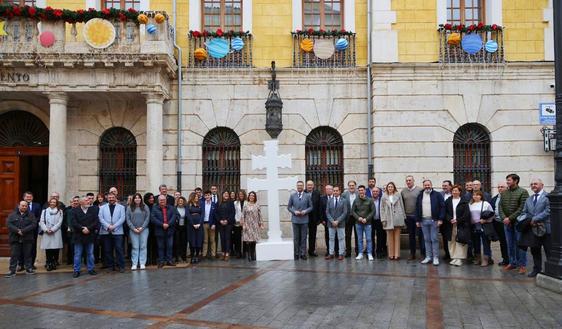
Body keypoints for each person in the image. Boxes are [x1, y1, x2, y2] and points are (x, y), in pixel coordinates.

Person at [500, 173, 529, 274]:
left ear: (516, 181)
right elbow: (500, 207)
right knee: (510, 244)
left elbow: (522, 208)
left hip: (518, 223)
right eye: (507, 180)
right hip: (507, 223)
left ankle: (522, 265)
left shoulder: (523, 192)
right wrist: (504, 218)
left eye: (509, 180)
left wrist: (510, 218)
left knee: (520, 244)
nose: (507, 182)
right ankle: (512, 263)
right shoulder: (504, 193)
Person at [520, 178, 550, 277]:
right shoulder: (529, 199)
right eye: (532, 184)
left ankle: (550, 271)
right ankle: (537, 269)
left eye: (535, 184)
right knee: (535, 250)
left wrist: (535, 218)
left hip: (546, 229)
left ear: (542, 185)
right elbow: (524, 212)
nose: (533, 185)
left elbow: (548, 210)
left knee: (548, 250)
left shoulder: (548, 197)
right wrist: (527, 220)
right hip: (532, 229)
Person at [416, 179, 445, 266]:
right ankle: (428, 257)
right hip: (424, 220)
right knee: (426, 239)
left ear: (431, 185)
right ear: (423, 186)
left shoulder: (437, 194)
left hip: (434, 221)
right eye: (425, 185)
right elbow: (417, 208)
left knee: (434, 239)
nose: (427, 186)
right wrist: (417, 220)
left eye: (428, 185)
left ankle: (435, 257)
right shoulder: (420, 195)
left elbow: (442, 207)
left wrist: (440, 219)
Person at [5, 201, 37, 277]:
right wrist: (17, 231)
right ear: (19, 206)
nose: (24, 207)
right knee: (14, 255)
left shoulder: (31, 215)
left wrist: (23, 231)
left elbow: (34, 224)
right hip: (15, 238)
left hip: (27, 238)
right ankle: (12, 271)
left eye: (25, 206)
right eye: (22, 205)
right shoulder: (12, 215)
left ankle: (29, 269)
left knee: (28, 254)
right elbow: (8, 224)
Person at [70, 196, 98, 278]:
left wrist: (88, 228)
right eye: (86, 200)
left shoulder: (93, 210)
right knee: (78, 254)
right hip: (78, 235)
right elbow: (73, 222)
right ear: (81, 202)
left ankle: (91, 269)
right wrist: (82, 228)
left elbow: (96, 221)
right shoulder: (74, 211)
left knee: (90, 253)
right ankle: (76, 270)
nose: (88, 201)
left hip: (90, 234)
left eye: (89, 200)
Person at [98, 193, 126, 273]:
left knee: (119, 249)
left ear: (115, 198)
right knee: (107, 250)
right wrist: (108, 227)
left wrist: (114, 227)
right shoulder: (102, 208)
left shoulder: (121, 207)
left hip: (118, 232)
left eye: (112, 197)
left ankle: (121, 266)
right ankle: (111, 266)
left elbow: (122, 218)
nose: (111, 199)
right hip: (105, 232)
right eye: (109, 197)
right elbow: (101, 218)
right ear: (107, 198)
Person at [444, 185, 471, 266]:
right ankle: (453, 257)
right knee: (451, 241)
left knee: (460, 240)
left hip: (461, 224)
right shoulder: (448, 201)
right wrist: (450, 219)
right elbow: (445, 212)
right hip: (450, 224)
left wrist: (458, 220)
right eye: (453, 190)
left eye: (456, 190)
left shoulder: (464, 201)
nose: (454, 192)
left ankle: (459, 258)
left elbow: (466, 214)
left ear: (460, 192)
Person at [287, 181, 313, 260]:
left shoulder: (307, 196)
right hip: (295, 219)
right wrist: (294, 211)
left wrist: (305, 211)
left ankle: (303, 253)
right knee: (296, 238)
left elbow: (311, 207)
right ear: (296, 186)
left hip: (304, 220)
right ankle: (296, 253)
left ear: (303, 186)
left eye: (301, 186)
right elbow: (289, 207)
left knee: (303, 237)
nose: (299, 187)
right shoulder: (292, 196)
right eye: (298, 186)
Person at [380, 182, 406, 261]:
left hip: (397, 218)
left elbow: (402, 205)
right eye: (389, 187)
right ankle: (391, 255)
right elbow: (382, 209)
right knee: (389, 238)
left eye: (391, 187)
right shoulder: (384, 196)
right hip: (388, 219)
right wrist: (383, 219)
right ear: (387, 188)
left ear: (394, 188)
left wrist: (403, 216)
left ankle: (397, 255)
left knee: (397, 238)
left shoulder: (398, 195)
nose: (390, 188)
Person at [401, 175, 424, 260]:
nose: (408, 182)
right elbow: (402, 204)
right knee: (411, 236)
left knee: (421, 236)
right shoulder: (403, 191)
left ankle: (423, 253)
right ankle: (412, 254)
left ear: (413, 181)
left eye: (410, 180)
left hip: (418, 217)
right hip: (408, 217)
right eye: (407, 180)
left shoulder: (420, 190)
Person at [151, 195, 178, 268]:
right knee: (160, 247)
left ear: (166, 200)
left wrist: (168, 224)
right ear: (158, 201)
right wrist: (162, 224)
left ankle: (169, 260)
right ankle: (161, 261)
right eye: (160, 200)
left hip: (169, 230)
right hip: (159, 230)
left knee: (170, 246)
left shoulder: (171, 208)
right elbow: (153, 218)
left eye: (163, 200)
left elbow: (174, 216)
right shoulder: (154, 208)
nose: (162, 201)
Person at [469, 191, 494, 266]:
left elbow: (492, 214)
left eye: (477, 195)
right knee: (476, 243)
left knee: (485, 243)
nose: (475, 196)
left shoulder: (485, 204)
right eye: (474, 195)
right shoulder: (470, 204)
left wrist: (486, 220)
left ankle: (486, 259)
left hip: (484, 225)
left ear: (481, 196)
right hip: (474, 226)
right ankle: (478, 258)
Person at [39, 197, 64, 271]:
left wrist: (53, 229)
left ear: (56, 203)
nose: (52, 203)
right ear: (49, 203)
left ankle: (54, 262)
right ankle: (49, 263)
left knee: (55, 248)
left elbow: (60, 222)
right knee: (48, 248)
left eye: (54, 202)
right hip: (47, 232)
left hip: (56, 232)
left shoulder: (60, 211)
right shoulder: (44, 211)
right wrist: (46, 230)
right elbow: (42, 221)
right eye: (51, 202)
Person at [126, 193, 150, 270]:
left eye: (138, 198)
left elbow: (147, 218)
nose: (137, 199)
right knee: (135, 247)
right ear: (133, 199)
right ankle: (134, 263)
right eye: (135, 198)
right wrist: (133, 228)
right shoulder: (129, 207)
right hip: (133, 230)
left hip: (144, 230)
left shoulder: (145, 207)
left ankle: (142, 263)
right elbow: (128, 219)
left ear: (141, 199)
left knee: (143, 246)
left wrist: (142, 228)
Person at [18, 191, 41, 271]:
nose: (29, 198)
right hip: (22, 231)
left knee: (32, 247)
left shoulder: (37, 206)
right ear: (24, 197)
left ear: (32, 198)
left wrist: (32, 223)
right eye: (27, 197)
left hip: (33, 230)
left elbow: (39, 217)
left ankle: (31, 264)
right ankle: (21, 265)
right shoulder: (20, 205)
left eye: (30, 197)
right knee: (21, 247)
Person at [352, 185, 375, 261]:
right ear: (358, 191)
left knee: (369, 239)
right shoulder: (356, 200)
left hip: (368, 223)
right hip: (358, 223)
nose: (361, 191)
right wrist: (358, 218)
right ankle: (360, 253)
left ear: (365, 191)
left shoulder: (370, 200)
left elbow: (373, 211)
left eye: (362, 190)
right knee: (359, 239)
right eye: (359, 190)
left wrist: (366, 218)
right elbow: (353, 211)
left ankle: (369, 253)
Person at [325, 186, 347, 260]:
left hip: (340, 223)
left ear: (339, 191)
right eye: (334, 191)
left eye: (337, 191)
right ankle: (331, 253)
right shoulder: (329, 200)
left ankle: (341, 254)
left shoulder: (344, 200)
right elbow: (327, 212)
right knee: (331, 239)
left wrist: (337, 221)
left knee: (341, 238)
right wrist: (332, 221)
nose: (335, 192)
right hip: (331, 223)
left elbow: (345, 212)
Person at [241, 191, 263, 262]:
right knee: (248, 241)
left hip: (255, 225)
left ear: (255, 197)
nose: (252, 197)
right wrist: (243, 224)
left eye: (253, 196)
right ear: (248, 196)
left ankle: (253, 255)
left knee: (253, 241)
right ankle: (249, 255)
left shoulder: (257, 205)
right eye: (250, 195)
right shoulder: (245, 205)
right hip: (247, 225)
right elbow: (242, 215)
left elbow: (260, 215)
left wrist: (261, 224)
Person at [491, 181, 509, 266]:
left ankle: (512, 259)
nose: (500, 188)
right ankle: (505, 259)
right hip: (498, 223)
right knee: (502, 242)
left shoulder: (509, 197)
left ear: (506, 188)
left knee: (509, 242)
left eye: (502, 187)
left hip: (508, 223)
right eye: (499, 187)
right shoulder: (494, 198)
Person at [341, 180, 359, 257]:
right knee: (347, 235)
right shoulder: (344, 194)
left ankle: (358, 251)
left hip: (356, 217)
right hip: (348, 217)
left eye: (353, 185)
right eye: (350, 185)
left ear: (355, 186)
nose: (351, 187)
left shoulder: (359, 194)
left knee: (357, 235)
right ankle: (348, 252)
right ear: (348, 187)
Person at [216, 191, 235, 261]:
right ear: (222, 195)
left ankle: (227, 254)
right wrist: (220, 220)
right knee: (222, 238)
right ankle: (223, 253)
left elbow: (233, 213)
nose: (226, 195)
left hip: (228, 224)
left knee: (227, 238)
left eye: (227, 194)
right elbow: (216, 213)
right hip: (220, 224)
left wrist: (227, 220)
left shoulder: (231, 203)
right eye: (225, 194)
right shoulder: (218, 203)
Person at [186, 192, 204, 264]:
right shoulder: (188, 205)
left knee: (198, 240)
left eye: (197, 196)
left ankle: (197, 255)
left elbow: (202, 214)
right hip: (191, 226)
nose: (197, 197)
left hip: (199, 225)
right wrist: (193, 224)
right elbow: (188, 215)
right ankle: (192, 256)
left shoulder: (200, 204)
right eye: (195, 196)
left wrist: (199, 223)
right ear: (192, 197)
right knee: (192, 240)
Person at [320, 185, 338, 257]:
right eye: (327, 189)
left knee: (336, 236)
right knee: (328, 236)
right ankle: (329, 251)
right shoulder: (322, 199)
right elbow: (320, 210)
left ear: (332, 190)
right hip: (326, 221)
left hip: (336, 221)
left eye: (330, 189)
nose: (328, 191)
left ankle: (337, 251)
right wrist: (322, 220)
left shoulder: (336, 198)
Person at [306, 180, 322, 257]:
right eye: (308, 185)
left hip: (314, 218)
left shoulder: (317, 193)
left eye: (311, 185)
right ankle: (301, 251)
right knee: (303, 235)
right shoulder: (303, 193)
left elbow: (319, 206)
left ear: (313, 186)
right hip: (304, 217)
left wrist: (319, 219)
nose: (309, 186)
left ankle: (311, 251)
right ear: (306, 186)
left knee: (312, 235)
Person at [370, 186, 386, 259]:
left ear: (379, 193)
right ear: (371, 193)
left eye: (376, 191)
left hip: (380, 221)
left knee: (380, 237)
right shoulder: (369, 200)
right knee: (371, 237)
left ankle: (379, 251)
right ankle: (371, 252)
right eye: (373, 191)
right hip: (371, 221)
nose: (375, 193)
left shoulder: (382, 200)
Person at [63, 196, 80, 265]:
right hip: (70, 232)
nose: (74, 203)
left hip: (78, 231)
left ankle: (76, 261)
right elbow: (65, 221)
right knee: (71, 247)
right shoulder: (68, 211)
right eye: (73, 202)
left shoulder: (80, 210)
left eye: (76, 201)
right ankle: (71, 261)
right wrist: (68, 227)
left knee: (77, 247)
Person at [201, 190, 217, 259]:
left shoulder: (214, 204)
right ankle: (204, 255)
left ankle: (213, 255)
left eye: (208, 195)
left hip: (211, 224)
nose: (207, 196)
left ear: (210, 196)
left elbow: (215, 216)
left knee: (212, 240)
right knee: (205, 240)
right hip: (204, 224)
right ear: (204, 196)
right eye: (206, 195)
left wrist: (214, 224)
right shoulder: (201, 203)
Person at [440, 180, 453, 261]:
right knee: (445, 238)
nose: (444, 187)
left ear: (450, 186)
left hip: (452, 220)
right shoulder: (440, 194)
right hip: (443, 221)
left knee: (453, 238)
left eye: (446, 185)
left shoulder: (454, 193)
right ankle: (447, 253)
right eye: (443, 185)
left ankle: (453, 254)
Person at [174, 196, 188, 263]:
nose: (180, 202)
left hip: (184, 228)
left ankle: (184, 257)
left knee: (184, 243)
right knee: (177, 243)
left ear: (183, 202)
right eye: (179, 201)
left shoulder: (186, 209)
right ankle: (177, 257)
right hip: (177, 228)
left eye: (181, 201)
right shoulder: (174, 209)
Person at [233, 190, 246, 258]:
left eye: (242, 194)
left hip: (245, 223)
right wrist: (236, 220)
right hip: (237, 222)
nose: (241, 195)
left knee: (245, 238)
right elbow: (234, 212)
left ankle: (245, 252)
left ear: (244, 195)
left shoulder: (247, 202)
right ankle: (238, 252)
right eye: (240, 194)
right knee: (237, 238)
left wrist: (244, 221)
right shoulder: (235, 203)